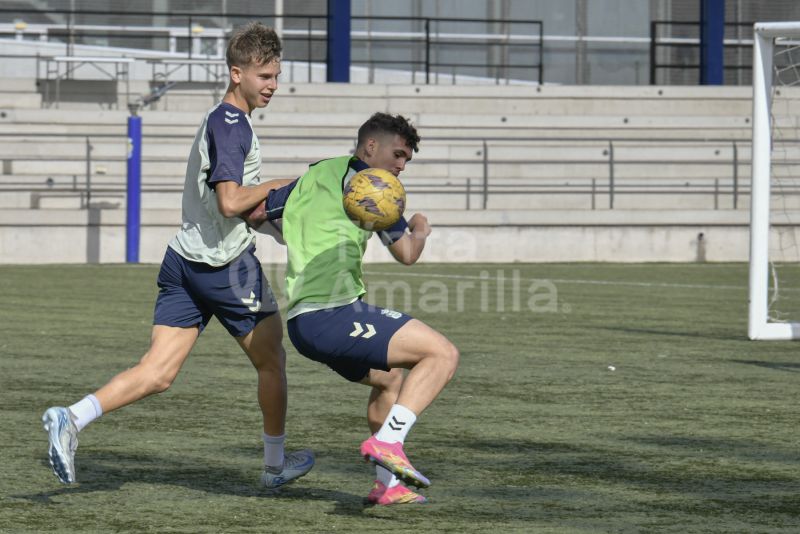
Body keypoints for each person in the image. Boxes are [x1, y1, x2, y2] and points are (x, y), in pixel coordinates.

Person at [41, 22, 314, 489]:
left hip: (185, 260)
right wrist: (284, 185)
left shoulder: (223, 121)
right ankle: (273, 467)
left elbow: (229, 208)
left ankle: (71, 417)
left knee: (158, 373)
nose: (273, 85)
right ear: (236, 73)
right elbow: (231, 201)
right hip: (226, 269)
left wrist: (272, 225)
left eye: (276, 75)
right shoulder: (231, 127)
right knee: (272, 362)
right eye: (264, 76)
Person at [250, 112, 459, 505]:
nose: (400, 166)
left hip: (303, 321)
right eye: (397, 155)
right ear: (370, 147)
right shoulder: (372, 188)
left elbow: (256, 211)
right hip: (333, 314)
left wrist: (293, 234)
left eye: (406, 161)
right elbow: (408, 254)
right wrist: (421, 228)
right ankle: (391, 442)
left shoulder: (314, 177)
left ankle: (388, 484)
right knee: (441, 353)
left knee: (389, 380)